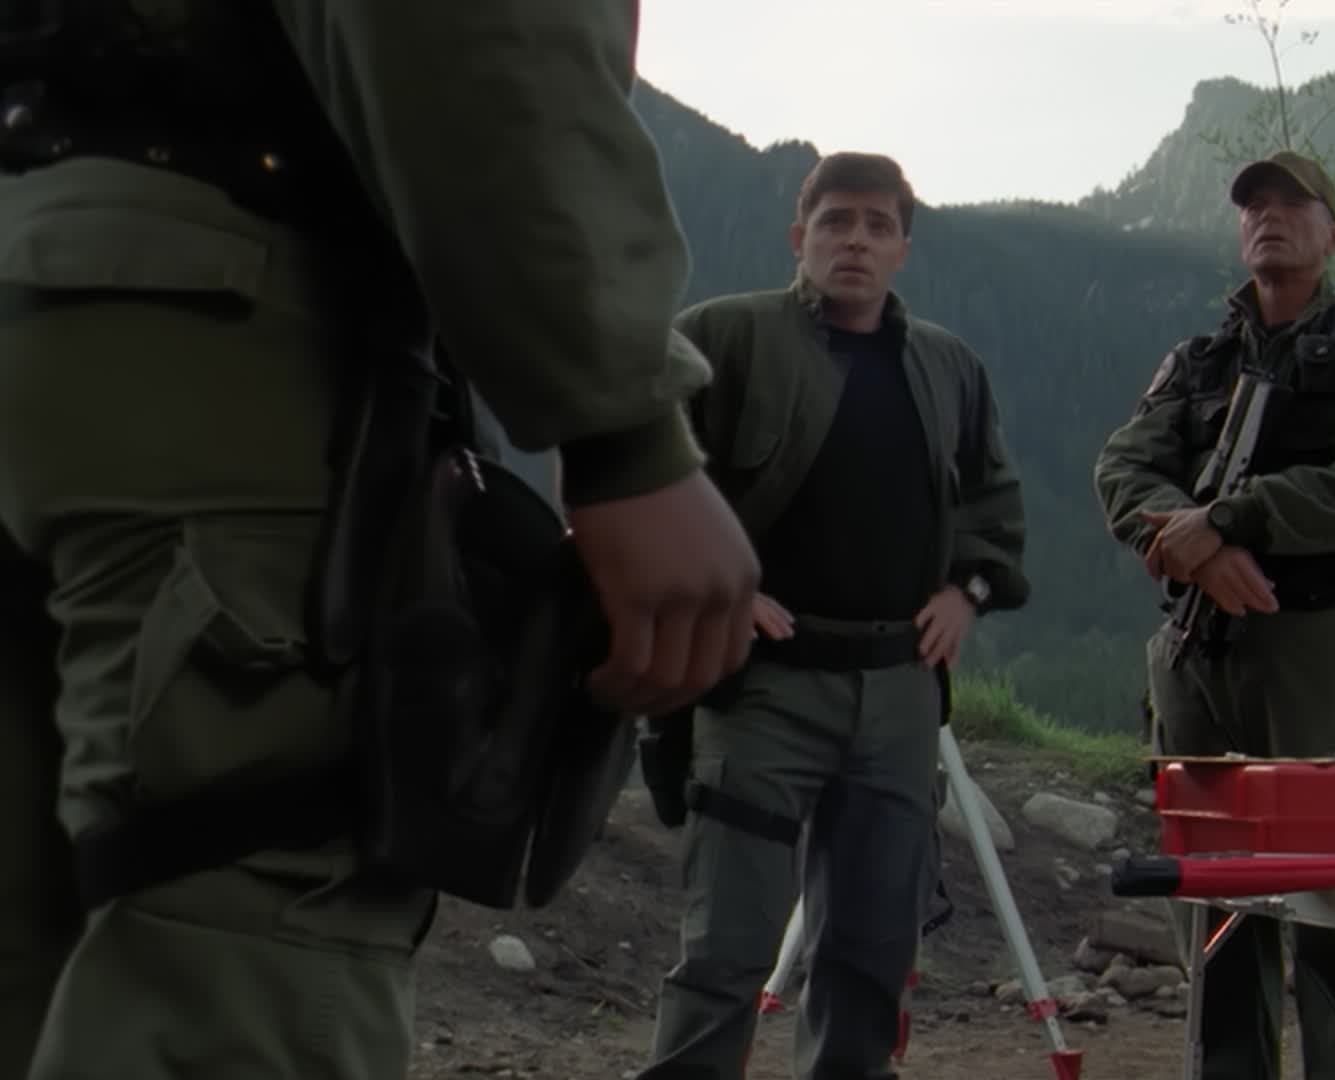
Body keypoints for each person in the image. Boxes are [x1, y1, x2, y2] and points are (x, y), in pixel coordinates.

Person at [0, 5, 760, 1078]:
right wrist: (626, 435)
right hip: (220, 306)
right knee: (246, 929)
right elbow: (474, 36)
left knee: (40, 923)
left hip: (47, 273)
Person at [637, 150, 1029, 1080]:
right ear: (799, 237)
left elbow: (993, 500)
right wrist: (720, 588)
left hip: (899, 689)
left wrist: (968, 592)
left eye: (877, 225)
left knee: (870, 954)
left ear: (903, 249)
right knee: (726, 950)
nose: (856, 240)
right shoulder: (722, 338)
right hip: (762, 685)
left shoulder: (946, 366)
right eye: (836, 221)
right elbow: (643, 476)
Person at [1092, 149, 1335, 1080]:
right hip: (1196, 653)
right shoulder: (1198, 362)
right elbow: (1123, 468)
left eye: (1294, 203)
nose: (1269, 216)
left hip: (1320, 646)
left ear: (1334, 234)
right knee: (1214, 900)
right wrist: (1199, 548)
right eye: (1254, 204)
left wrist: (1228, 520)